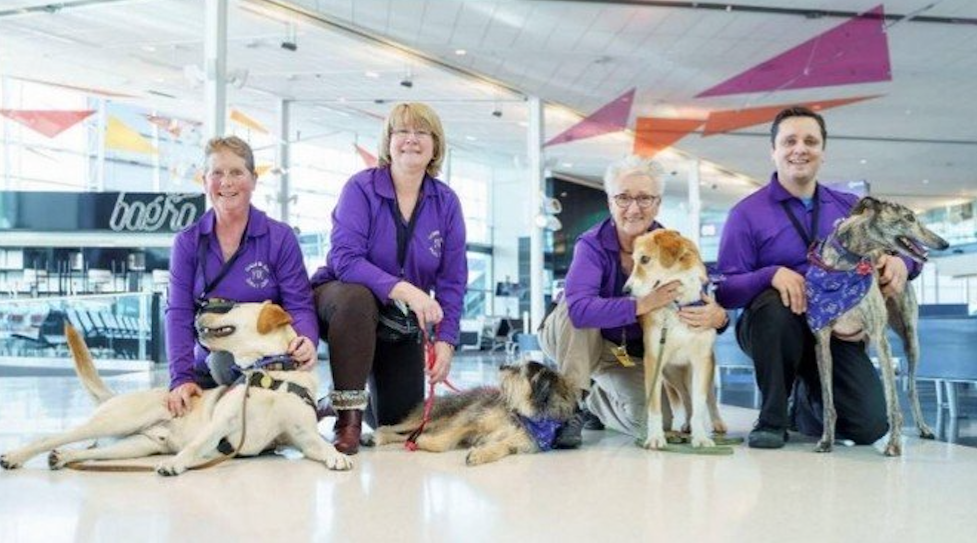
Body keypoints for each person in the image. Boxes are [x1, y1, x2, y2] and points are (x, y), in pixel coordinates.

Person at [715, 106, 920, 449]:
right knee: (774, 305)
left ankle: (805, 408)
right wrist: (771, 274)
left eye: (811, 141)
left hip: (835, 330)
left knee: (869, 426)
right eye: (790, 141)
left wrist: (903, 264)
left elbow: (903, 248)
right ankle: (771, 419)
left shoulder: (851, 208)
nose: (800, 149)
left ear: (822, 152)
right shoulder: (746, 213)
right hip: (774, 326)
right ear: (774, 151)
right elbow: (725, 290)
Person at [538, 155, 729, 447]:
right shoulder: (592, 244)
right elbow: (578, 311)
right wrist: (644, 303)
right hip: (575, 337)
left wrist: (718, 317)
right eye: (623, 198)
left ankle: (596, 402)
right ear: (610, 202)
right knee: (580, 307)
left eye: (644, 198)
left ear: (658, 203)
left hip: (625, 353)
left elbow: (700, 289)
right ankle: (572, 405)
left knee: (656, 423)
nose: (634, 208)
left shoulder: (669, 245)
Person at [312, 102, 467, 455]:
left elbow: (452, 280)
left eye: (421, 132)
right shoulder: (361, 188)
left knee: (398, 422)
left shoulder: (446, 202)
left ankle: (330, 400)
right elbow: (345, 259)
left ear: (435, 144)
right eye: (402, 131)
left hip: (398, 321)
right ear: (388, 140)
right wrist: (407, 290)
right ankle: (347, 418)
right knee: (357, 297)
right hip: (342, 305)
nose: (411, 140)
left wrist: (446, 340)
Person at [166, 136, 319, 416]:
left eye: (237, 172)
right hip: (210, 361)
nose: (226, 182)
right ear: (204, 180)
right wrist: (181, 379)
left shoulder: (279, 237)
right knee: (216, 368)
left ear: (254, 179)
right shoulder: (188, 242)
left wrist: (307, 339)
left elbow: (299, 303)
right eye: (217, 173)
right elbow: (178, 313)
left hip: (266, 360)